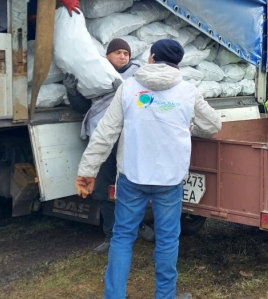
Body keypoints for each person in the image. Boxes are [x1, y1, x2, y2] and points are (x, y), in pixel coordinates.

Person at [75, 39, 222, 299]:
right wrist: (188, 127)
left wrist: (88, 171)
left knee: (122, 238)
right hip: (170, 179)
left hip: (132, 176)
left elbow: (105, 133)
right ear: (177, 63)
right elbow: (212, 126)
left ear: (151, 58)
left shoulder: (128, 87)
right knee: (167, 240)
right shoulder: (188, 91)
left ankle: (114, 295)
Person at [63, 38, 156, 253]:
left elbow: (147, 105)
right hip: (103, 139)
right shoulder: (96, 76)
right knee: (104, 190)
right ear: (107, 56)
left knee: (133, 186)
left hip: (130, 140)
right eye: (118, 53)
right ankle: (110, 235)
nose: (123, 56)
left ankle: (140, 224)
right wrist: (73, 93)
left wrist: (125, 92)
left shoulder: (139, 75)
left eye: (126, 53)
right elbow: (87, 108)